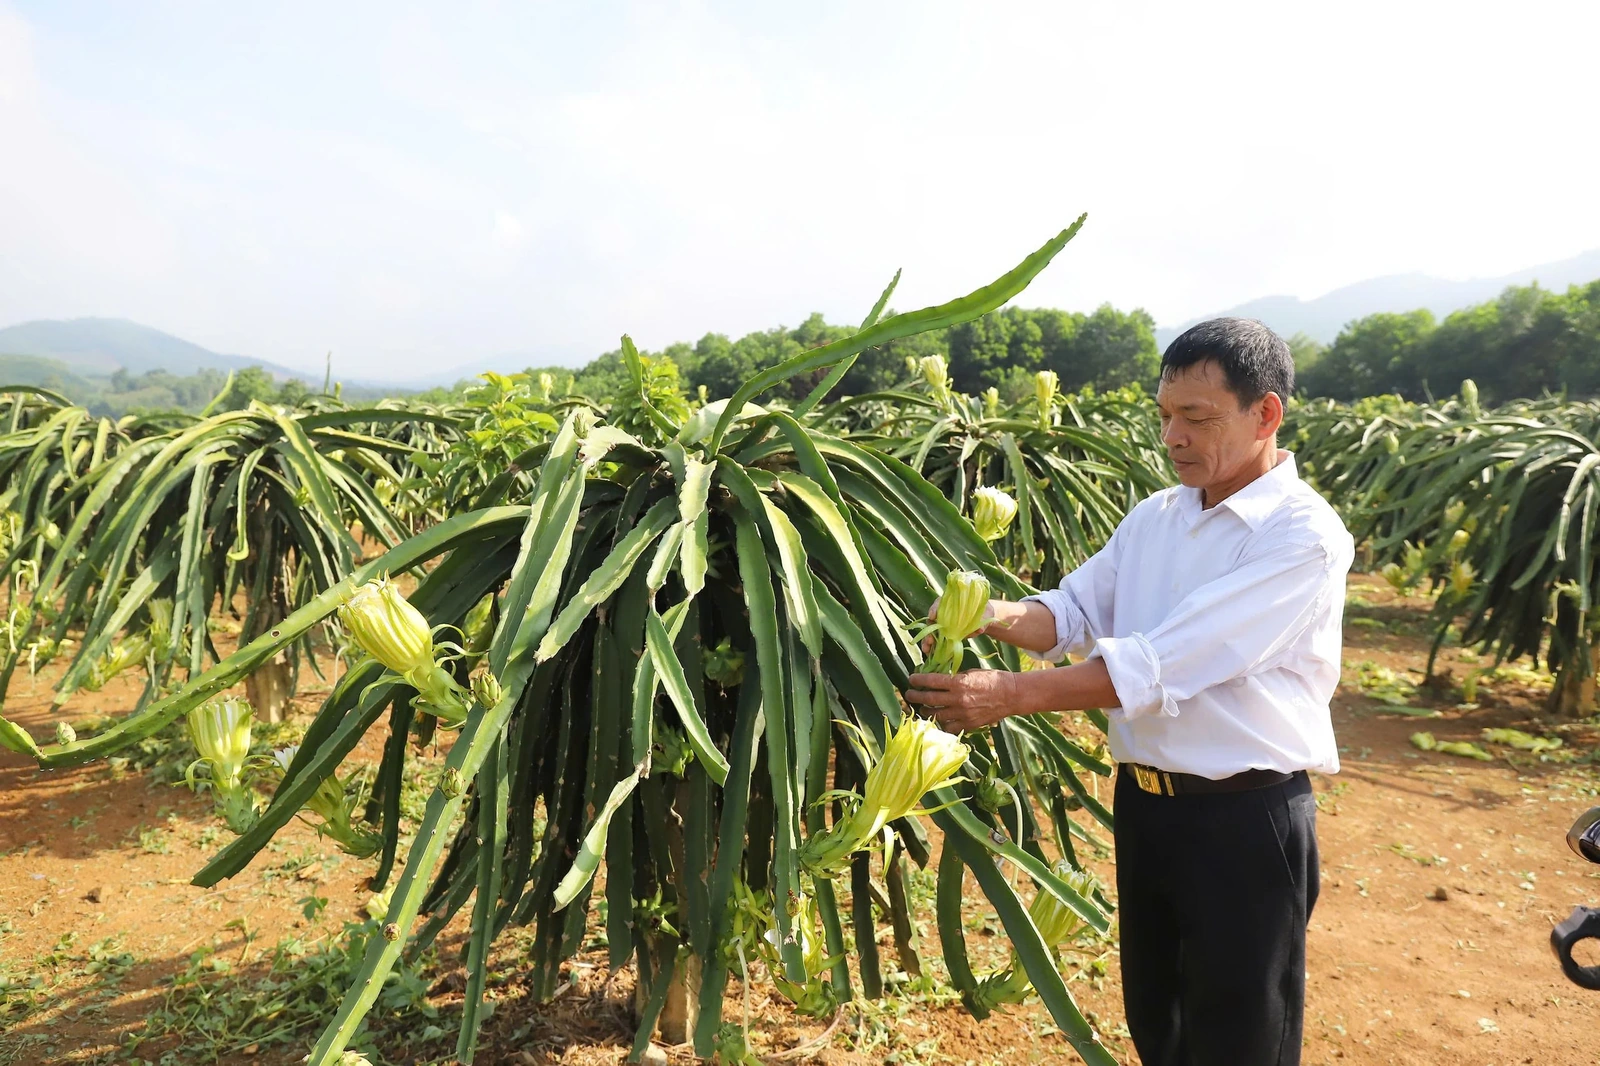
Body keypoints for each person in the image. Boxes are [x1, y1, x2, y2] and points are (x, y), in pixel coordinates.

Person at [905, 318, 1352, 1066]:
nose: (1174, 437)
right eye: (1166, 416)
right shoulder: (1157, 517)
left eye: (1198, 418)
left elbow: (1163, 664)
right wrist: (978, 613)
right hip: (1147, 808)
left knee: (1239, 1038)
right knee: (1159, 1021)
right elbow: (1072, 612)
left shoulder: (1301, 537)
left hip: (1245, 820)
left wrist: (1010, 695)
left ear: (1265, 414)